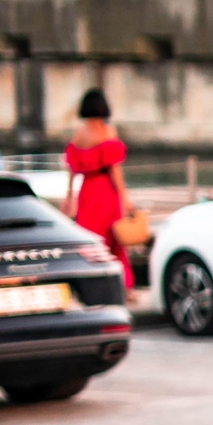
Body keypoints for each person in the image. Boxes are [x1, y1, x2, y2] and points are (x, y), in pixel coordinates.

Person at [63, 88, 131, 287]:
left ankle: (90, 283)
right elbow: (115, 171)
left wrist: (69, 195)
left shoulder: (79, 134)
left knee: (89, 239)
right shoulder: (107, 131)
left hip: (87, 191)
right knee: (113, 241)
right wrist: (124, 197)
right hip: (105, 191)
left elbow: (72, 168)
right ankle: (121, 286)